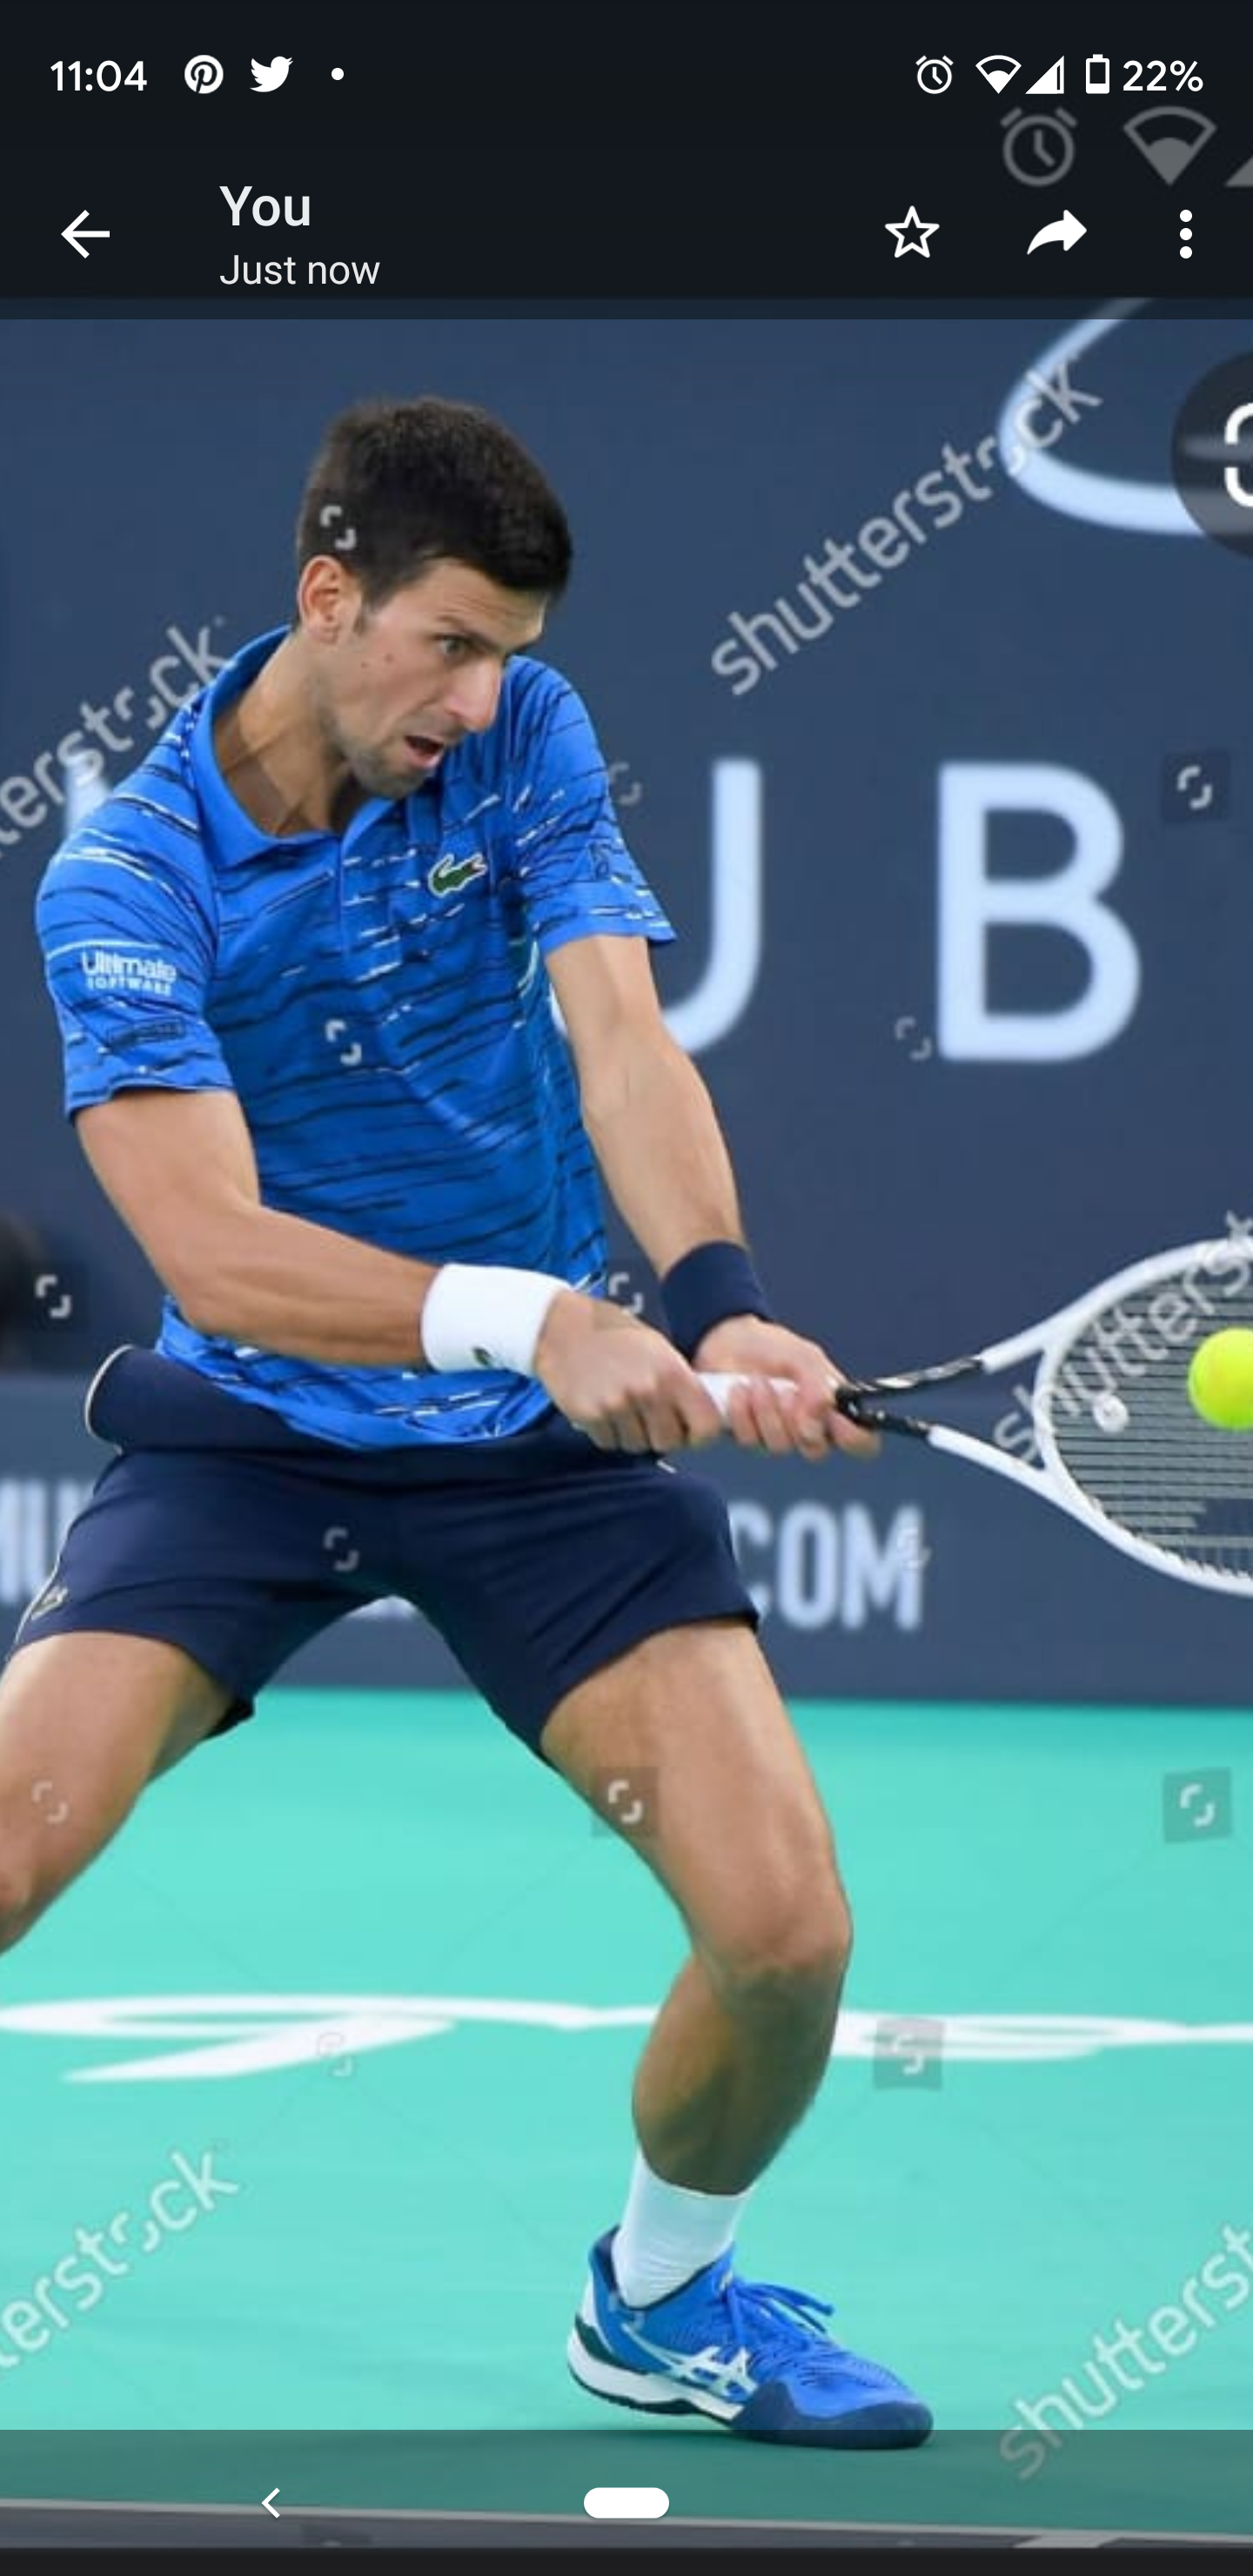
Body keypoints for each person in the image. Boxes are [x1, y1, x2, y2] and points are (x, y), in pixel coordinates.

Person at [3, 395, 931, 2447]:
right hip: (254, 1441)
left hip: (530, 1466)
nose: (481, 695)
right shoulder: (132, 874)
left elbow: (621, 1040)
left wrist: (720, 1301)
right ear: (328, 597)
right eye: (449, 643)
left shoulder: (525, 739)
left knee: (785, 1933)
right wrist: (530, 1315)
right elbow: (215, 1250)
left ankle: (661, 2300)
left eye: (510, 650)